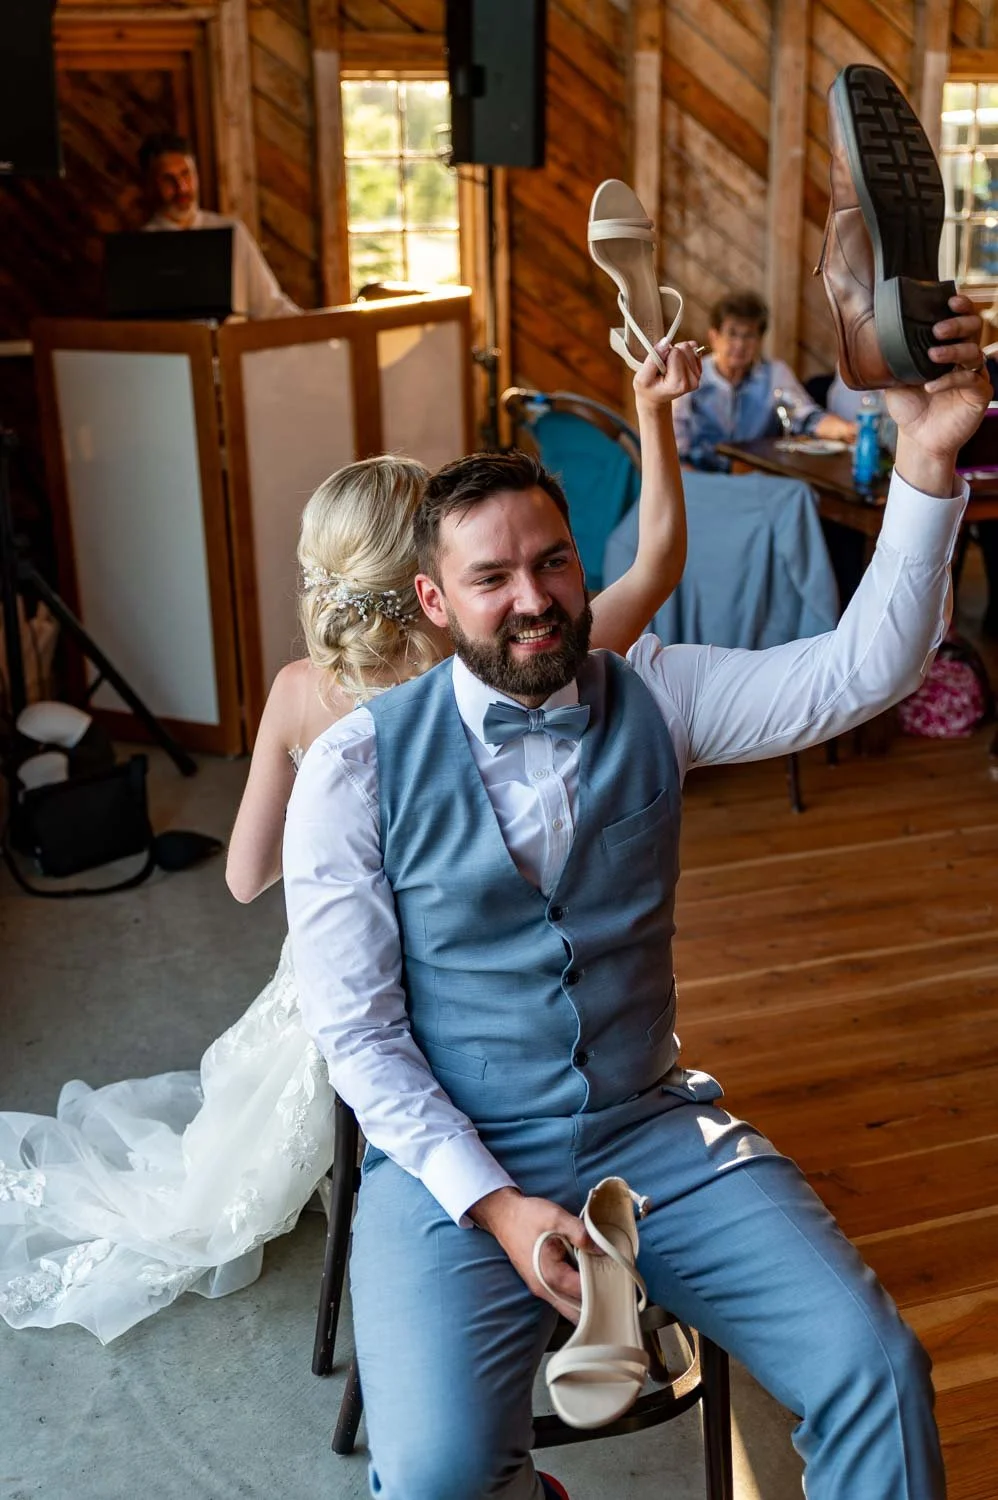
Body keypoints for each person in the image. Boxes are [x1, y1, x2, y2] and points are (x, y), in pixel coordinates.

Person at [283, 296, 988, 1500]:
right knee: (440, 1476)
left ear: (580, 563)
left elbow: (862, 671)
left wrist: (924, 464)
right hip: (454, 1161)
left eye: (551, 561)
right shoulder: (353, 767)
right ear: (434, 605)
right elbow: (355, 1032)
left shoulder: (652, 692)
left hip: (653, 1126)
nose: (532, 597)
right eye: (491, 576)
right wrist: (496, 1206)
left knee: (877, 1367)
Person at [0, 338, 700, 1343]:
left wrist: (337, 859)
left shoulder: (299, 695)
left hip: (344, 1011)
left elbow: (244, 880)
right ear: (429, 578)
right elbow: (658, 564)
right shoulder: (506, 665)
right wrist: (654, 411)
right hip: (502, 1007)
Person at [673, 289, 856, 471]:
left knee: (802, 491)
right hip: (697, 476)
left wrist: (846, 429)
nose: (740, 344)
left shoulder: (775, 373)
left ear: (760, 339)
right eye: (733, 333)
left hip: (754, 476)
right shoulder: (692, 375)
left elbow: (806, 417)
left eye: (749, 335)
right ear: (714, 336)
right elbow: (676, 445)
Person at [139, 133, 300, 321]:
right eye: (168, 179)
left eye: (186, 174)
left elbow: (270, 306)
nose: (182, 188)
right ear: (150, 184)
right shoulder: (142, 248)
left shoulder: (231, 232)